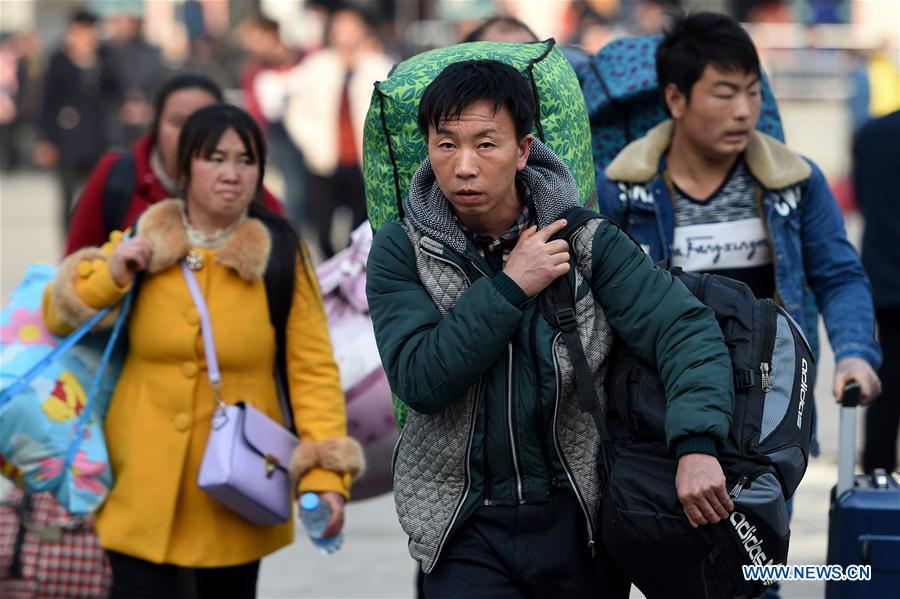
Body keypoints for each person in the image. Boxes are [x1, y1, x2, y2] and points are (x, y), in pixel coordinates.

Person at [366, 59, 735, 598]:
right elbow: (421, 378)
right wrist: (511, 285)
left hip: (578, 519)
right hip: (460, 524)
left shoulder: (586, 240)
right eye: (446, 145)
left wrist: (697, 445)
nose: (464, 166)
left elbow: (684, 330)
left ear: (522, 150)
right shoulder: (403, 249)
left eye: (486, 145)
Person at [42, 104, 364, 598]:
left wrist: (323, 473)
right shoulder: (146, 238)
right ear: (185, 166)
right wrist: (113, 274)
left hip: (236, 488)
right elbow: (59, 315)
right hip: (140, 481)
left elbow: (312, 370)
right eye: (215, 158)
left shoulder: (279, 250)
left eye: (246, 160)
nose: (232, 173)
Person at [597, 12, 882, 409]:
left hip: (770, 401)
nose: (744, 110)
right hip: (661, 403)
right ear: (676, 99)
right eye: (725, 94)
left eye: (752, 91)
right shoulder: (622, 192)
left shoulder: (794, 182)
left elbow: (839, 275)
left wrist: (854, 353)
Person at [65, 73, 284, 255]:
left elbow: (289, 266)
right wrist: (113, 277)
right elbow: (75, 270)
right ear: (156, 126)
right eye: (178, 122)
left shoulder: (242, 189)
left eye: (203, 124)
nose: (190, 134)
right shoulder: (116, 176)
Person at [283, 6, 394, 258]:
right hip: (324, 160)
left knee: (361, 229)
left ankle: (350, 275)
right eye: (340, 27)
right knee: (320, 226)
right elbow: (295, 110)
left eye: (351, 26)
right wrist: (310, 143)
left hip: (364, 162)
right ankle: (333, 268)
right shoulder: (316, 66)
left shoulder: (378, 65)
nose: (346, 33)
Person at [35, 9, 122, 234]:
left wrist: (93, 64)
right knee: (67, 197)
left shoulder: (104, 58)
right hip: (65, 140)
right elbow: (47, 102)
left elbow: (116, 92)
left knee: (97, 196)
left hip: (96, 137)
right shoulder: (57, 60)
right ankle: (69, 244)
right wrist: (45, 140)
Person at [853, 110, 900, 474]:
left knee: (886, 387)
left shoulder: (870, 133)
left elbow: (860, 196)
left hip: (885, 277)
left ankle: (875, 478)